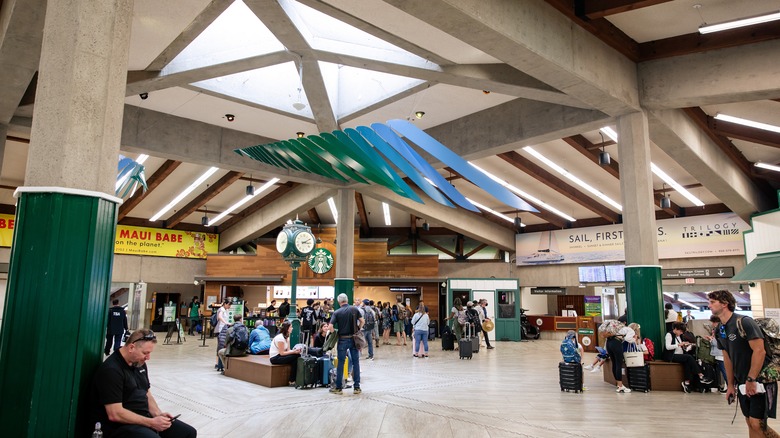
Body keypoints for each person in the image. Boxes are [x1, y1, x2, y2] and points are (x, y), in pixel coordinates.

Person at [89, 329, 197, 438]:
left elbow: (147, 394)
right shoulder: (112, 370)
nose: (148, 358)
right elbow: (115, 414)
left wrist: (158, 414)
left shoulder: (139, 364)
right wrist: (151, 422)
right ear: (131, 347)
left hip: (143, 419)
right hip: (120, 426)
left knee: (188, 432)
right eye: (145, 353)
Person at [709, 289, 778, 436]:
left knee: (757, 424)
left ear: (724, 304)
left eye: (712, 302)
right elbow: (727, 358)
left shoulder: (745, 322)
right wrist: (730, 385)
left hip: (760, 380)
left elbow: (760, 351)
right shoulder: (720, 329)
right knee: (749, 422)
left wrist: (751, 379)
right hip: (742, 381)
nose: (709, 305)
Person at [663, 322, 712, 392]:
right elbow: (668, 347)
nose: (681, 333)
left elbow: (682, 347)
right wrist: (679, 345)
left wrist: (685, 345)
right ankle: (700, 375)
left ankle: (687, 383)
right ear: (676, 329)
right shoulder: (669, 334)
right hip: (671, 356)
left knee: (688, 362)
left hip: (680, 354)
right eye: (680, 331)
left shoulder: (680, 336)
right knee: (688, 357)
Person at [329, 293, 363, 395]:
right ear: (347, 300)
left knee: (341, 363)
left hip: (342, 339)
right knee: (356, 362)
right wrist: (358, 329)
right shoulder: (354, 310)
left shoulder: (337, 312)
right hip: (354, 339)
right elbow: (362, 321)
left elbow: (330, 327)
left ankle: (338, 388)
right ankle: (357, 387)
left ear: (339, 301)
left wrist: (334, 332)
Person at [269, 321, 303, 386]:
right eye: (291, 327)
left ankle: (292, 380)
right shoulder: (280, 338)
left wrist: (295, 351)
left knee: (295, 359)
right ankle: (292, 380)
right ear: (287, 328)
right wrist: (294, 352)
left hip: (281, 356)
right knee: (296, 356)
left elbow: (288, 350)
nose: (292, 328)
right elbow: (281, 353)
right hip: (275, 358)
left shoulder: (287, 338)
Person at [706, 314, 728, 393]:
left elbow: (717, 343)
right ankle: (726, 386)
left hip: (720, 354)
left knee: (724, 371)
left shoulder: (718, 330)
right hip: (723, 353)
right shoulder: (724, 328)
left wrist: (711, 339)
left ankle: (729, 386)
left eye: (713, 322)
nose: (712, 324)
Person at [213, 300, 231, 370]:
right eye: (229, 305)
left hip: (222, 330)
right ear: (225, 304)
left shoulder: (225, 310)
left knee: (220, 346)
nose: (229, 306)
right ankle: (217, 363)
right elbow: (220, 317)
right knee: (219, 346)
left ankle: (218, 363)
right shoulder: (222, 309)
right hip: (220, 330)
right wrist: (226, 322)